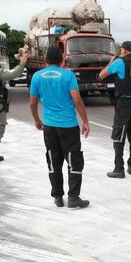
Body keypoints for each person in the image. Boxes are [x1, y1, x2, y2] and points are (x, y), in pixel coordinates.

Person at [29, 46, 91, 209]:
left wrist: (37, 119)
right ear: (62, 59)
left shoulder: (37, 76)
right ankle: (73, 197)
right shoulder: (68, 75)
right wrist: (85, 121)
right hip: (68, 126)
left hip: (49, 126)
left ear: (45, 60)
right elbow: (77, 100)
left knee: (53, 160)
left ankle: (57, 197)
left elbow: (32, 102)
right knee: (74, 161)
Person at [97, 40, 131, 178]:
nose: (120, 52)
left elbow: (100, 76)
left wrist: (110, 62)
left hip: (123, 102)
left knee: (118, 134)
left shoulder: (120, 62)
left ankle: (119, 168)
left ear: (125, 50)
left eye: (121, 49)